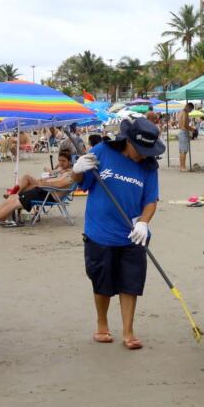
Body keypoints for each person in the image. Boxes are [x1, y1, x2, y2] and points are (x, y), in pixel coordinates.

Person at [71, 118, 164, 350]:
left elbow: (151, 201)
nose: (143, 155)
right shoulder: (102, 151)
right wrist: (76, 171)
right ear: (128, 141)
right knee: (102, 282)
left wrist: (143, 224)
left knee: (130, 282)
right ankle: (102, 324)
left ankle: (128, 331)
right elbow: (82, 184)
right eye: (140, 150)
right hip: (100, 232)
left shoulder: (149, 166)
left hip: (133, 234)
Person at [0, 150, 74, 225]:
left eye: (63, 161)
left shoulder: (70, 174)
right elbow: (56, 180)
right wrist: (47, 180)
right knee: (13, 198)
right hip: (44, 191)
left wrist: (44, 182)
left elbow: (60, 184)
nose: (60, 163)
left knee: (16, 201)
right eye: (59, 160)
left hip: (49, 195)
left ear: (69, 161)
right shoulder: (62, 170)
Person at [178, 102, 194, 172]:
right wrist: (191, 129)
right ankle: (182, 167)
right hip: (183, 132)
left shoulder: (181, 112)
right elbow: (184, 125)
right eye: (191, 109)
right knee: (183, 151)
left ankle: (182, 166)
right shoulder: (184, 113)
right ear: (188, 107)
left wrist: (190, 128)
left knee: (182, 151)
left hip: (182, 132)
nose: (190, 111)